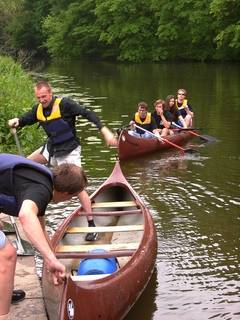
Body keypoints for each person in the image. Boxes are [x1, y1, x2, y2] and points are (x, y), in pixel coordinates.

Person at [8, 81, 117, 241]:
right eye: (39, 97)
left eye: (44, 96)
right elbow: (26, 119)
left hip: (69, 150)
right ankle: (23, 202)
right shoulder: (38, 109)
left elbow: (87, 113)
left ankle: (92, 225)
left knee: (78, 186)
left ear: (50, 93)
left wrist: (104, 131)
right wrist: (17, 120)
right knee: (25, 164)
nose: (42, 100)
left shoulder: (65, 104)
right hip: (52, 148)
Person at [0, 153, 88, 320]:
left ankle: (2, 291)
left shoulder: (44, 177)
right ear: (67, 194)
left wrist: (51, 256)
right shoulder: (41, 190)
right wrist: (51, 260)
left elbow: (40, 226)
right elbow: (26, 215)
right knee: (7, 254)